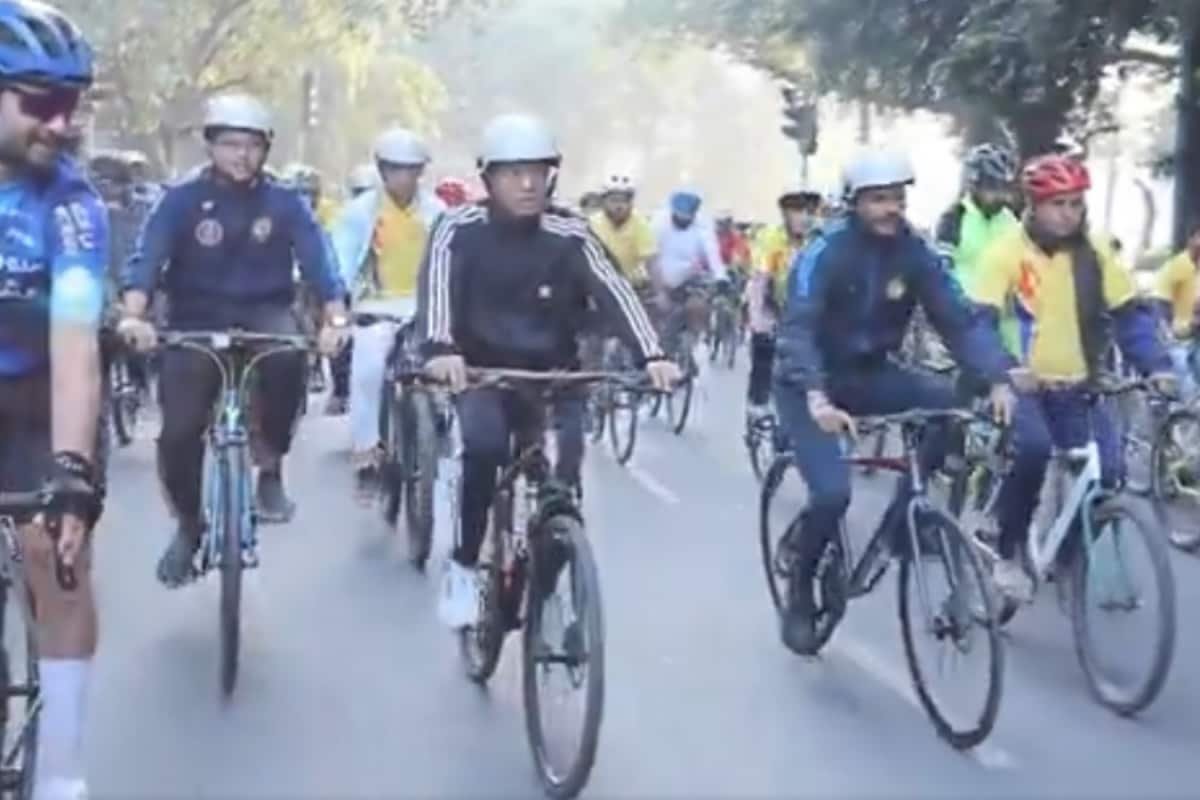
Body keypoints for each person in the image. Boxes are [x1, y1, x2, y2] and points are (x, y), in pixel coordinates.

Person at [416, 113, 678, 628]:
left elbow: (615, 291)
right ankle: (466, 566)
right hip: (480, 373)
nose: (528, 183)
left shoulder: (570, 233)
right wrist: (441, 347)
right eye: (513, 173)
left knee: (565, 479)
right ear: (488, 178)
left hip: (555, 378)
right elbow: (437, 290)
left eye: (537, 171)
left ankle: (551, 567)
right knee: (486, 450)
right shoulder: (458, 228)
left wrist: (653, 355)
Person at [773, 149, 1016, 656]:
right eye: (879, 199)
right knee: (832, 495)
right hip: (808, 383)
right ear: (853, 202)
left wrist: (997, 377)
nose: (891, 208)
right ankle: (800, 590)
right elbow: (797, 330)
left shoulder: (914, 251)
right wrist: (817, 397)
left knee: (944, 407)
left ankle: (906, 521)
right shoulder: (824, 250)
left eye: (897, 198)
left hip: (871, 375)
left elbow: (959, 318)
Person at [118, 93, 349, 588]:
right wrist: (133, 316)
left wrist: (335, 318)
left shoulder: (285, 201)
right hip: (194, 317)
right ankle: (188, 525)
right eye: (229, 144)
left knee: (289, 357)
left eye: (251, 145)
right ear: (210, 146)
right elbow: (147, 259)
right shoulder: (179, 200)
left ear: (266, 149)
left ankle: (269, 464)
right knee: (178, 432)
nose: (241, 156)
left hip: (266, 311)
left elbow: (320, 263)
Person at [970, 154, 1175, 600]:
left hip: (1077, 384)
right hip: (1022, 383)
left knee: (1112, 471)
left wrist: (1157, 366)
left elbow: (1129, 315)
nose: (1070, 213)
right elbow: (979, 323)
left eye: (1077, 203)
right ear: (1034, 204)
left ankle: (1067, 560)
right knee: (1034, 451)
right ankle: (1007, 552)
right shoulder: (1006, 252)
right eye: (1058, 203)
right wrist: (1002, 372)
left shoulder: (1095, 251)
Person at [0, 3, 108, 797]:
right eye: (40, 101)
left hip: (38, 392)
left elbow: (76, 342)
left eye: (73, 103)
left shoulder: (71, 204)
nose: (61, 123)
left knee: (56, 557)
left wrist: (72, 469)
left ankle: (62, 774)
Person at [330, 127, 445, 497]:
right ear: (381, 170)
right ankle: (366, 455)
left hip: (426, 308)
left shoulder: (437, 212)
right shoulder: (360, 212)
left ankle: (438, 430)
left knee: (448, 366)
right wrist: (340, 305)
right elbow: (342, 261)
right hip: (376, 307)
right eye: (395, 169)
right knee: (366, 372)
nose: (403, 177)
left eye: (411, 169)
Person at [745, 187, 822, 421]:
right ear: (786, 214)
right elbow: (760, 281)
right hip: (774, 303)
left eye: (810, 211)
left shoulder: (821, 239)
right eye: (797, 211)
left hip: (811, 308)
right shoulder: (771, 238)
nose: (805, 217)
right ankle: (758, 401)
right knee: (765, 345)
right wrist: (757, 319)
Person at [648, 189, 728, 354]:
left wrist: (720, 276)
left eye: (688, 217)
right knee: (653, 311)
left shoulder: (703, 225)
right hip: (660, 276)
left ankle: (692, 342)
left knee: (697, 306)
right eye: (679, 216)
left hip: (689, 278)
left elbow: (712, 252)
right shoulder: (658, 223)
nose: (683, 220)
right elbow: (649, 252)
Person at [1151, 218, 1200, 400]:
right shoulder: (1176, 267)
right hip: (1180, 338)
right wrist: (1171, 332)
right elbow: (1160, 303)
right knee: (1182, 375)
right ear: (1191, 240)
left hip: (1194, 334)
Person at [587, 173, 655, 289]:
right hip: (598, 283)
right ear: (603, 202)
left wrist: (659, 291)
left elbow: (650, 260)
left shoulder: (639, 223)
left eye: (624, 201)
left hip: (630, 285)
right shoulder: (592, 223)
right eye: (613, 200)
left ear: (631, 203)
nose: (619, 206)